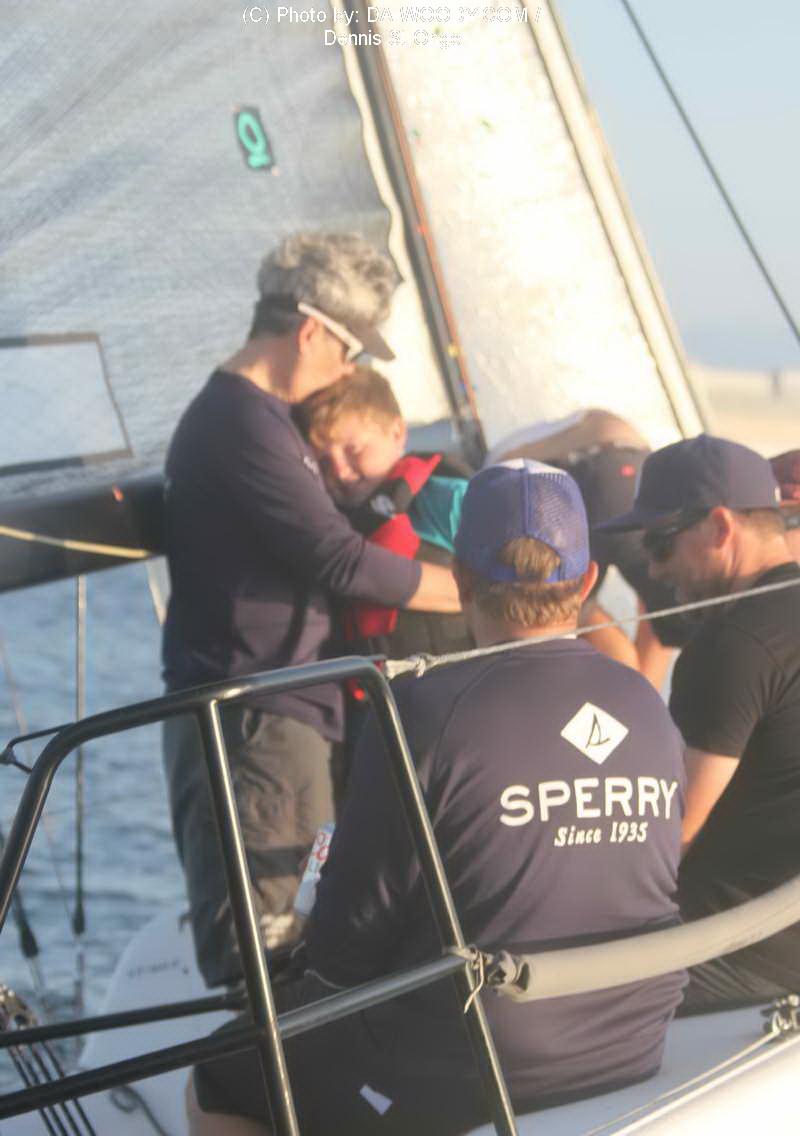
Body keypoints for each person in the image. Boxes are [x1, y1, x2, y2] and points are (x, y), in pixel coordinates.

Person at [189, 459, 686, 1135]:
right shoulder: (645, 701)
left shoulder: (419, 712)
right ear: (589, 579)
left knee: (220, 1073)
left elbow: (342, 957)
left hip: (482, 1068)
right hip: (632, 1043)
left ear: (459, 579)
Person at [161, 231, 459, 987]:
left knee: (307, 928)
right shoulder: (240, 422)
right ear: (311, 332)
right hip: (253, 722)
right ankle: (258, 1064)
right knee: (267, 954)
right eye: (350, 351)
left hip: (283, 719)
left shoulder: (263, 421)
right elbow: (338, 559)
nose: (350, 370)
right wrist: (475, 593)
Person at [598, 434, 800, 1011]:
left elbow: (672, 834)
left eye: (660, 542)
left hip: (736, 953)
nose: (654, 569)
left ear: (719, 526)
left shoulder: (730, 645)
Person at [486, 409, 685, 687]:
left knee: (576, 610)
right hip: (607, 467)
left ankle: (637, 693)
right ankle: (638, 696)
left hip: (608, 461)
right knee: (657, 612)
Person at [294, 365, 473, 662]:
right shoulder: (328, 529)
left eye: (354, 450)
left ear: (396, 432)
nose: (340, 471)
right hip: (382, 686)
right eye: (324, 463)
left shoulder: (452, 501)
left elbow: (525, 591)